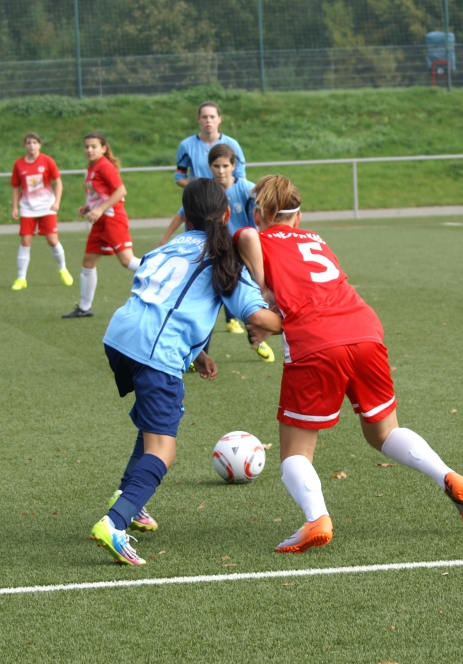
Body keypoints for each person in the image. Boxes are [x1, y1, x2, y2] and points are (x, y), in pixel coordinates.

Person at [234, 174, 463, 554]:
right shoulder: (316, 240)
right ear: (298, 218)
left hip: (317, 342)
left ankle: (317, 518)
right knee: (382, 433)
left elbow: (249, 239)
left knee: (296, 452)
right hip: (365, 329)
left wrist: (262, 289)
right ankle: (445, 474)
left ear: (258, 214)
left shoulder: (254, 234)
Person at [90, 178, 283, 565]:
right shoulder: (223, 256)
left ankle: (129, 498)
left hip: (120, 336)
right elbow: (258, 317)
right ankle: (114, 522)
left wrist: (197, 353)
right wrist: (297, 321)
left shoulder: (166, 248)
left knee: (154, 425)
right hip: (154, 348)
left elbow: (168, 298)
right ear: (226, 214)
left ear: (187, 218)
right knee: (164, 448)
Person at [160, 144, 275, 362]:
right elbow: (183, 214)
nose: (221, 171)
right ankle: (198, 354)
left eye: (225, 166)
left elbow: (267, 208)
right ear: (209, 166)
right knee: (206, 306)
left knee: (249, 300)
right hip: (212, 255)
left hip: (240, 257)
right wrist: (165, 238)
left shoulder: (246, 189)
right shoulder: (207, 191)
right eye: (216, 166)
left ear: (234, 165)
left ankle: (258, 340)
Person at [63, 133, 141, 319]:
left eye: (94, 146)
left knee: (127, 261)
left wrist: (100, 208)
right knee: (88, 262)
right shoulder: (92, 166)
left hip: (112, 218)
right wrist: (90, 207)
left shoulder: (104, 165)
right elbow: (101, 193)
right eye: (86, 146)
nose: (89, 150)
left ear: (104, 148)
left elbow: (121, 190)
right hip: (99, 221)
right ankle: (85, 308)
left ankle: (163, 273)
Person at [9, 132, 73, 291]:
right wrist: (15, 207)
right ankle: (21, 278)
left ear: (39, 145)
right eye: (28, 143)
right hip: (27, 208)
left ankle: (63, 269)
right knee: (25, 241)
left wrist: (57, 202)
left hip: (47, 206)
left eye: (34, 142)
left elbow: (58, 182)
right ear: (25, 145)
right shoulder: (19, 164)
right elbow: (16, 186)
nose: (31, 145)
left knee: (52, 240)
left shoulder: (47, 161)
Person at [174, 101, 246, 191]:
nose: (208, 121)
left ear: (219, 119)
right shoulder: (186, 145)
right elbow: (179, 177)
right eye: (204, 117)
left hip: (227, 196)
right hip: (199, 196)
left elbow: (241, 177)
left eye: (212, 117)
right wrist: (198, 188)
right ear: (198, 119)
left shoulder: (232, 144)